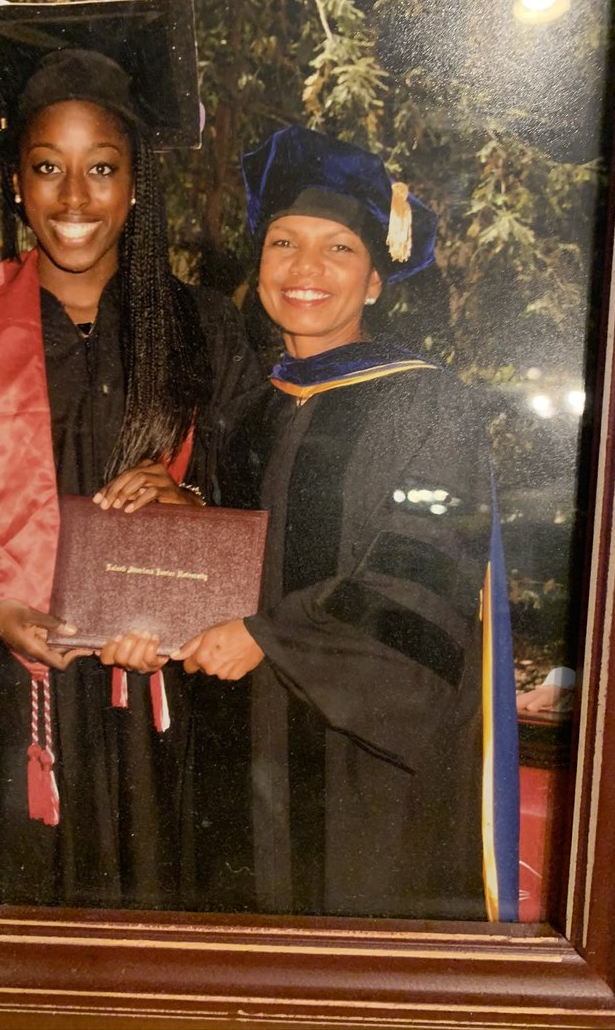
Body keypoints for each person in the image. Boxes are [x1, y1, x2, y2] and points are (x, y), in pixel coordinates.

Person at [0, 0, 259, 907]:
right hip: (13, 708)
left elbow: (263, 505)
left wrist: (192, 502)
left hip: (171, 703)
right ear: (15, 182)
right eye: (48, 168)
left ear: (135, 184)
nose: (74, 200)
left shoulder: (201, 330)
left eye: (103, 169)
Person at [180, 124, 519, 922]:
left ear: (374, 281)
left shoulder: (430, 404)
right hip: (242, 761)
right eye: (284, 243)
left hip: (368, 771)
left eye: (338, 250)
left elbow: (422, 578)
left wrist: (268, 636)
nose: (304, 270)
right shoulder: (247, 407)